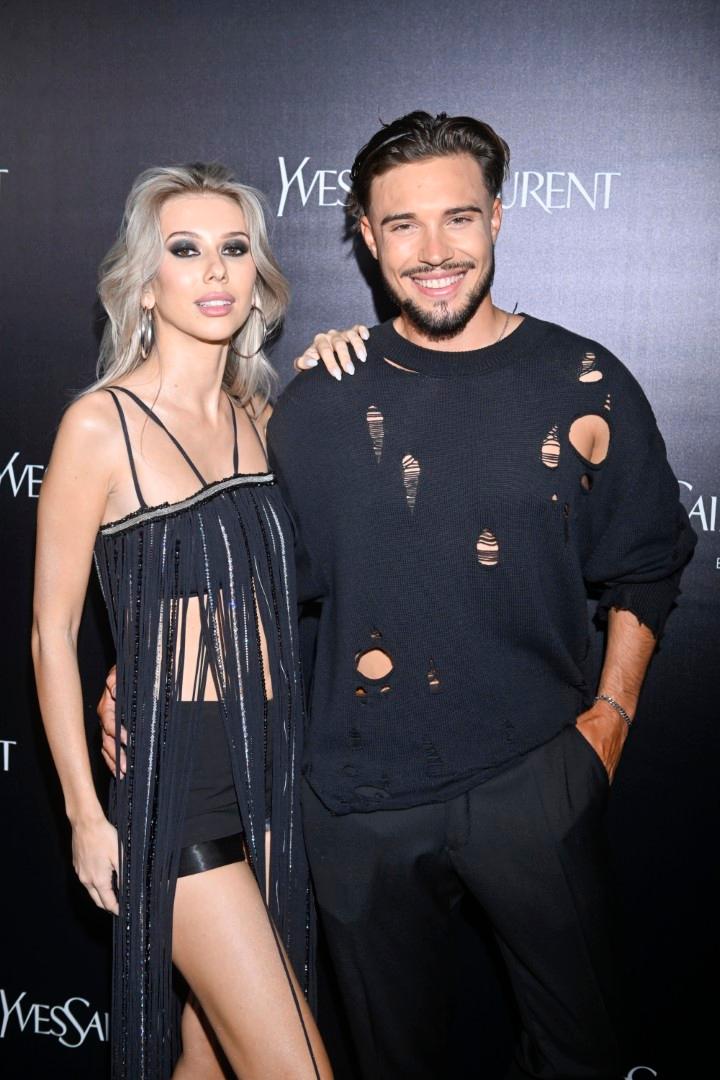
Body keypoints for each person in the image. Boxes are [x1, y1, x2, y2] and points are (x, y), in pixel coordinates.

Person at [100, 114, 696, 1080]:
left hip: (534, 778)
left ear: (497, 217)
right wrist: (141, 671)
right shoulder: (321, 400)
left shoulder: (583, 380)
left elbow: (650, 559)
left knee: (586, 1053)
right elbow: (250, 574)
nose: (434, 251)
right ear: (367, 238)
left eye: (457, 218)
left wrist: (610, 722)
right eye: (403, 225)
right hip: (354, 803)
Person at [32, 162, 338, 1080]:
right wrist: (86, 815)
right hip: (181, 780)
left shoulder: (263, 419)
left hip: (276, 766)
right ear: (145, 283)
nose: (214, 271)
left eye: (234, 250)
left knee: (207, 1058)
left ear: (256, 277)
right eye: (186, 249)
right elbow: (52, 632)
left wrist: (347, 354)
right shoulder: (100, 426)